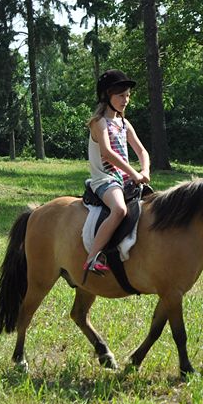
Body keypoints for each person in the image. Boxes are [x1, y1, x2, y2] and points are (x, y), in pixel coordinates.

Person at [84, 69, 151, 275]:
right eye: (121, 95)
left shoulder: (124, 123)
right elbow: (107, 152)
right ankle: (91, 258)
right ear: (106, 95)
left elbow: (141, 150)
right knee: (119, 210)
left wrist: (145, 170)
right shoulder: (99, 123)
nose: (126, 100)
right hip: (105, 180)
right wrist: (133, 173)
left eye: (128, 95)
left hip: (126, 179)